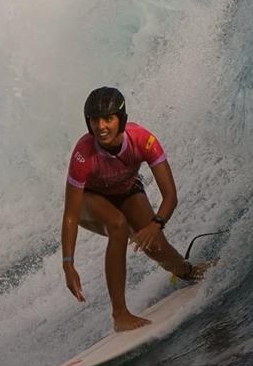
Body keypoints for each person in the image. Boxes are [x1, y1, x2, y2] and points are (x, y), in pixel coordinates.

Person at [61, 87, 207, 332]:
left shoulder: (143, 140)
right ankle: (120, 315)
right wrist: (68, 264)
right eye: (94, 120)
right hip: (90, 199)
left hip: (127, 191)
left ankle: (186, 271)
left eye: (108, 118)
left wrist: (155, 224)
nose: (101, 126)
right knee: (117, 225)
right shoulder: (83, 154)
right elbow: (70, 215)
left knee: (156, 246)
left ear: (121, 119)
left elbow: (170, 196)